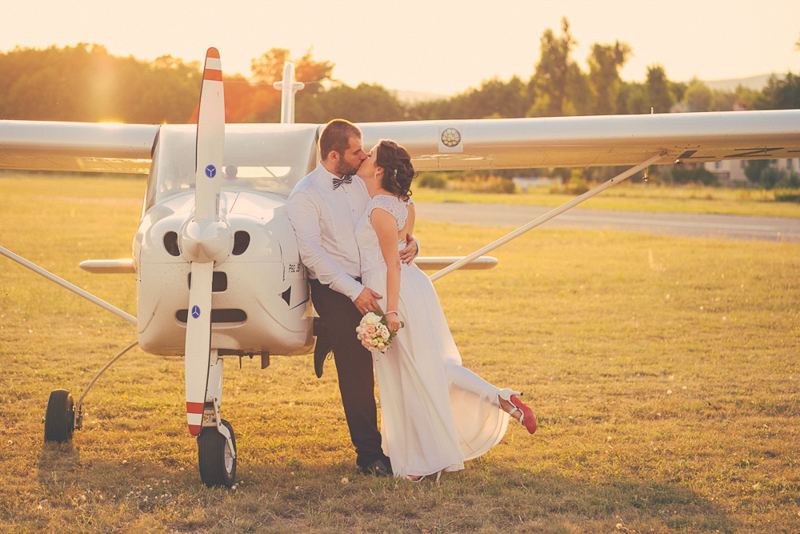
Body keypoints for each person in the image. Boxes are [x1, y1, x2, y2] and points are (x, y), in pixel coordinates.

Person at [354, 140, 537, 481]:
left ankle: (420, 463)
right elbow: (406, 243)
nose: (363, 157)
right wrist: (414, 246)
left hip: (395, 292)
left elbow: (392, 263)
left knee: (410, 375)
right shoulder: (404, 205)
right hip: (415, 287)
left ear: (379, 169)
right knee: (435, 367)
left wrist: (390, 313)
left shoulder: (379, 208)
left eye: (369, 155)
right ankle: (501, 397)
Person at [286, 120, 418, 477]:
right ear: (333, 156)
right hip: (335, 289)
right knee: (357, 371)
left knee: (404, 358)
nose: (364, 155)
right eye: (356, 151)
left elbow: (396, 206)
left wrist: (412, 240)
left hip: (377, 278)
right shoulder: (305, 195)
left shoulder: (364, 178)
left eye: (364, 150)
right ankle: (370, 455)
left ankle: (409, 441)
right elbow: (312, 254)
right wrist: (353, 290)